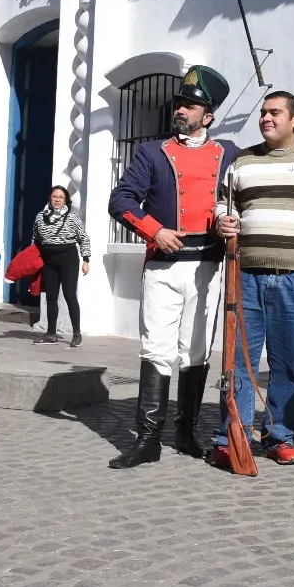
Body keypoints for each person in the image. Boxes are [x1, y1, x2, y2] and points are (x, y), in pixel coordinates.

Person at [106, 66, 238, 468]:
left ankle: (185, 431)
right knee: (157, 350)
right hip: (163, 264)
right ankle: (148, 439)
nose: (181, 109)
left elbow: (273, 161)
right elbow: (121, 200)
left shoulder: (231, 153)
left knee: (196, 352)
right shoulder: (152, 153)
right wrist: (154, 230)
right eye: (180, 103)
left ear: (208, 115)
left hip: (208, 266)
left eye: (191, 105)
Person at [209, 91, 294, 467]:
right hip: (245, 274)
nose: (266, 118)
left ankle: (279, 435)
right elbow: (224, 201)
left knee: (289, 364)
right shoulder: (242, 160)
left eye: (275, 113)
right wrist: (223, 219)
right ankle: (232, 435)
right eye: (263, 113)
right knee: (239, 360)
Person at [32, 186, 91, 348]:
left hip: (68, 259)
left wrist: (86, 259)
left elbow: (83, 238)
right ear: (49, 198)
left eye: (60, 197)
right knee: (50, 298)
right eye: (54, 196)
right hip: (48, 261)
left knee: (69, 295)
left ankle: (77, 334)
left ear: (65, 200)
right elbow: (35, 239)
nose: (57, 200)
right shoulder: (40, 217)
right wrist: (33, 261)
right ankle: (51, 333)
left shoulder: (72, 218)